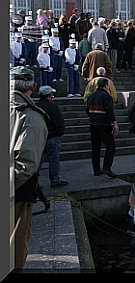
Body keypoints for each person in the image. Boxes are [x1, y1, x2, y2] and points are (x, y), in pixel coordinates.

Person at [10, 66, 48, 271]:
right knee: (14, 245)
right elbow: (27, 164)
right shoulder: (30, 116)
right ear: (33, 86)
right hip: (16, 190)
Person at [85, 77, 119, 178]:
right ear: (106, 86)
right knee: (111, 145)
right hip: (103, 124)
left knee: (95, 148)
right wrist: (115, 123)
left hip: (93, 124)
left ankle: (96, 169)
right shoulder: (106, 96)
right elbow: (109, 111)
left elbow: (87, 111)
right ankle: (106, 167)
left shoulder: (91, 97)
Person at [35, 85, 68, 188]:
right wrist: (60, 132)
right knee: (54, 160)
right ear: (49, 95)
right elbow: (59, 122)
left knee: (38, 161)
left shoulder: (35, 106)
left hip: (39, 136)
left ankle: (33, 182)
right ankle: (54, 180)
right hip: (52, 136)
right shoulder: (53, 107)